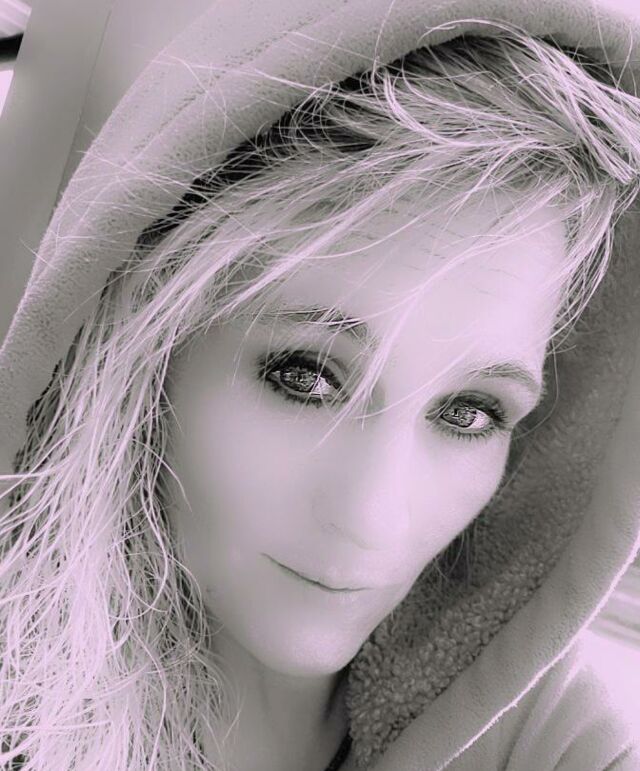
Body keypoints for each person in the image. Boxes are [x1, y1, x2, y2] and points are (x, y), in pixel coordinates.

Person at [1, 2, 640, 770]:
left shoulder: (558, 742)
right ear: (144, 343)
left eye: (470, 412)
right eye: (305, 377)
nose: (373, 518)